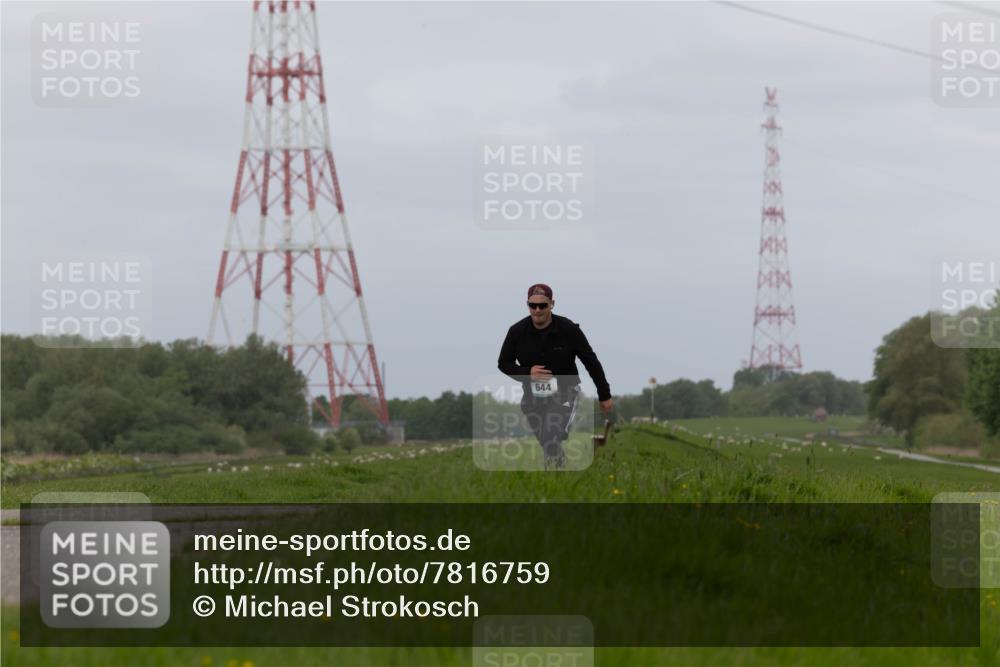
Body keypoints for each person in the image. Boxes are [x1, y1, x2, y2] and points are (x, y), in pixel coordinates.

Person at [497, 283, 613, 469]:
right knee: (546, 439)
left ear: (552, 304)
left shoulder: (569, 330)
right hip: (533, 397)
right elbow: (504, 363)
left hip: (565, 392)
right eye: (532, 305)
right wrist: (527, 372)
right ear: (527, 305)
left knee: (551, 433)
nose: (537, 310)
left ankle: (555, 473)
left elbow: (591, 361)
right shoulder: (516, 332)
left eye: (542, 305)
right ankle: (558, 469)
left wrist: (604, 394)